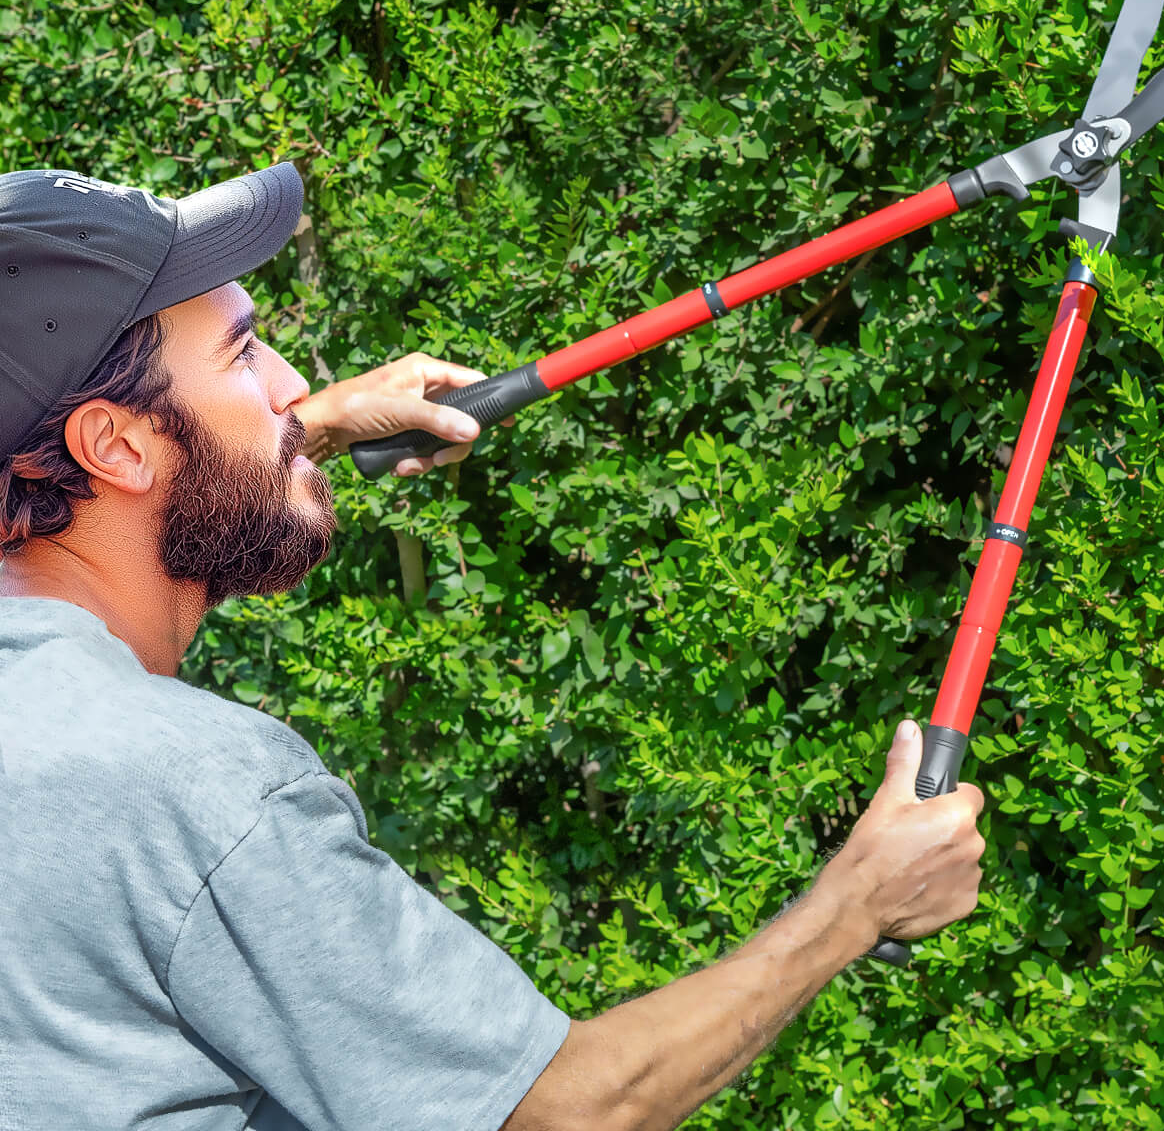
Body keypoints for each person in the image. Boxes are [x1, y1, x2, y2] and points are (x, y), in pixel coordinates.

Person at [0, 162, 986, 1131]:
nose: (296, 380)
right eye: (246, 353)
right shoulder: (191, 789)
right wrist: (853, 905)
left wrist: (291, 440)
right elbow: (560, 1110)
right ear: (115, 446)